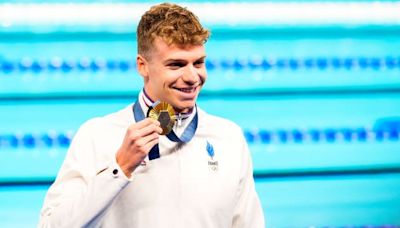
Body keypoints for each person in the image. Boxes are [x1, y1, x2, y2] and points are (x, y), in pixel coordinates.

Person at [38, 3, 265, 228]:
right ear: (142, 66)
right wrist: (119, 168)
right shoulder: (98, 135)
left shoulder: (228, 137)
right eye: (176, 65)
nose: (192, 77)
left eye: (198, 63)